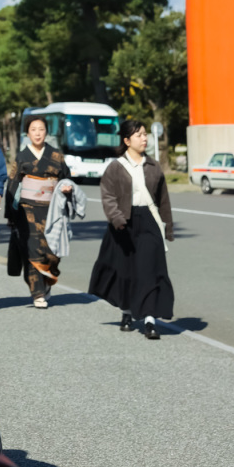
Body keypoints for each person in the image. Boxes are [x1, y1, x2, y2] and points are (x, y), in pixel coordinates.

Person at [88, 119, 174, 339]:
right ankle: (126, 312)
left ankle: (149, 320)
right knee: (126, 271)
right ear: (126, 141)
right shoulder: (115, 167)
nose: (144, 138)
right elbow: (108, 197)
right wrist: (117, 219)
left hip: (148, 221)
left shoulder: (154, 167)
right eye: (139, 135)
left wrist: (168, 227)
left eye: (145, 134)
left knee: (149, 271)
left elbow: (163, 200)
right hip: (123, 223)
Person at [7, 117, 73, 308]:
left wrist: (67, 188)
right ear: (28, 134)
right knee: (32, 250)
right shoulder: (22, 157)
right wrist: (11, 214)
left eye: (41, 129)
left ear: (46, 132)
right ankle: (37, 293)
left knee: (53, 252)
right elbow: (12, 185)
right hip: (27, 210)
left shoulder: (57, 156)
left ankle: (48, 278)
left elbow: (66, 179)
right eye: (33, 129)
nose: (37, 133)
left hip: (53, 210)